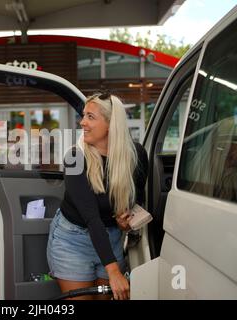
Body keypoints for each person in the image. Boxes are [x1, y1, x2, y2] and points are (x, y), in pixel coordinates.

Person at [46, 92, 148, 300]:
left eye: (90, 117)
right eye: (83, 115)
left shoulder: (136, 155)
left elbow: (135, 199)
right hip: (72, 241)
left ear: (112, 123)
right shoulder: (75, 158)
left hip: (110, 238)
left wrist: (124, 219)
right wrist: (114, 272)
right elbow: (91, 217)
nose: (82, 122)